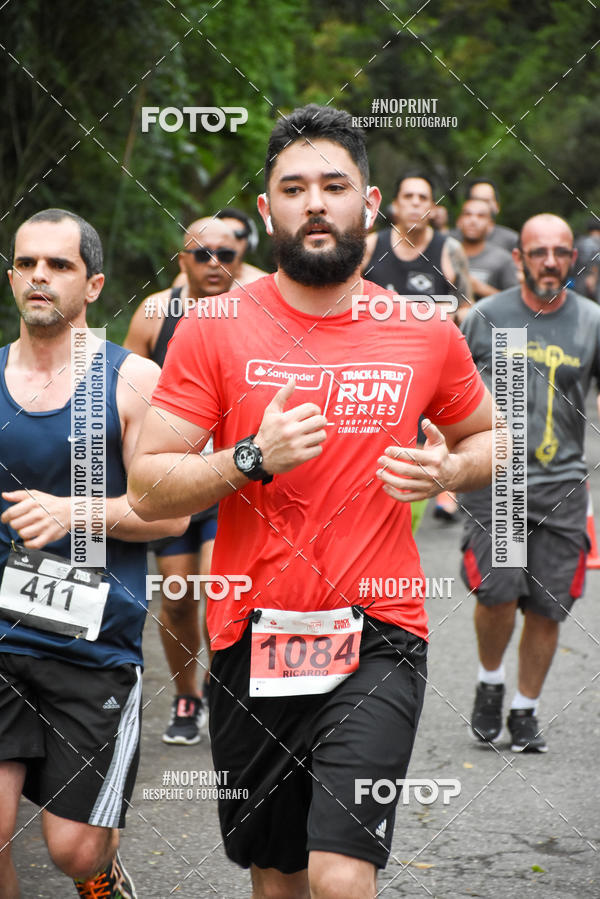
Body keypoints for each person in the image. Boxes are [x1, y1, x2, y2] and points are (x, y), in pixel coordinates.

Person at [128, 104, 494, 899]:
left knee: (339, 871)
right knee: (280, 876)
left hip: (379, 633)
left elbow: (490, 441)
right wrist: (250, 457)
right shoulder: (213, 327)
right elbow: (149, 484)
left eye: (334, 185)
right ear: (268, 211)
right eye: (294, 189)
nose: (315, 203)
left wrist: (449, 469)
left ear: (371, 202)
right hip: (249, 635)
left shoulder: (422, 330)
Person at [0, 209, 188, 898]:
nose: (39, 276)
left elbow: (174, 511)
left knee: (73, 850)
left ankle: (101, 870)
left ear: (94, 285)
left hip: (93, 647)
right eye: (26, 263)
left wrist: (72, 511)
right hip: (3, 637)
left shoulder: (134, 379)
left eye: (59, 265)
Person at [460, 213, 600, 753]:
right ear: (518, 258)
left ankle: (525, 709)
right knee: (498, 591)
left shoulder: (591, 321)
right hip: (498, 480)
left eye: (560, 252)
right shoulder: (486, 317)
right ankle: (490, 681)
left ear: (572, 259)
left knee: (548, 605)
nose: (550, 262)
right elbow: (454, 393)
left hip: (562, 485)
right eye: (538, 252)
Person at [124, 217, 238, 745]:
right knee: (176, 597)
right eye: (201, 253)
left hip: (229, 478)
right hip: (170, 479)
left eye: (225, 254)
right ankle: (187, 694)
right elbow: (122, 389)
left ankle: (222, 687)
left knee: (219, 590)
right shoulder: (155, 313)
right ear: (182, 260)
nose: (214, 263)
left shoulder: (254, 312)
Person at [362, 172, 473, 524]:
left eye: (422, 197)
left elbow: (466, 307)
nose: (414, 203)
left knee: (434, 436)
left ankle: (440, 495)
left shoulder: (448, 250)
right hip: (378, 365)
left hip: (432, 366)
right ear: (394, 205)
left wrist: (444, 321)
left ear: (433, 208)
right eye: (408, 196)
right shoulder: (371, 246)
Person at [456, 197, 519, 301]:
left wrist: (481, 289)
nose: (473, 220)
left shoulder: (503, 260)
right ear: (459, 221)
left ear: (490, 224)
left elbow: (515, 301)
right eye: (467, 214)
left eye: (481, 216)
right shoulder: (446, 253)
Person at [215, 207, 269, 285]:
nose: (230, 242)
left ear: (249, 241)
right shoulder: (196, 281)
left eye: (238, 235)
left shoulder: (261, 282)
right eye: (224, 235)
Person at [463, 179, 518, 252]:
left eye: (486, 201)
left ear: (497, 206)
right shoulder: (451, 240)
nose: (480, 206)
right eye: (476, 200)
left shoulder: (512, 241)